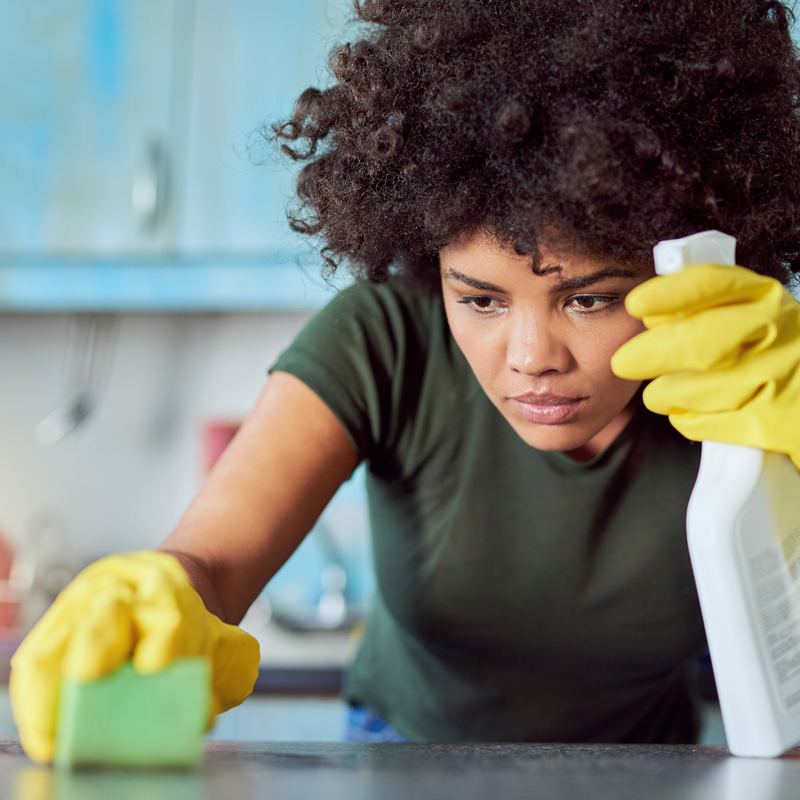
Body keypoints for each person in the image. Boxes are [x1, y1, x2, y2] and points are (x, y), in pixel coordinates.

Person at [11, 0, 800, 761]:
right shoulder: (383, 338)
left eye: (589, 298)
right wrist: (157, 595)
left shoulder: (754, 376)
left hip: (651, 769)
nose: (531, 356)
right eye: (480, 299)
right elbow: (213, 565)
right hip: (401, 757)